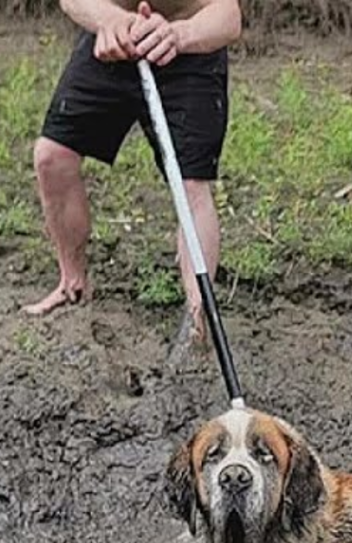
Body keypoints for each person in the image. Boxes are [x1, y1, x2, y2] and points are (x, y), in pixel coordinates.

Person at [24, 0, 242, 345]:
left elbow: (228, 16)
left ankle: (199, 318)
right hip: (112, 46)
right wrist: (112, 20)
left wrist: (178, 35)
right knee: (52, 157)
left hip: (189, 50)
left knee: (191, 186)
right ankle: (73, 284)